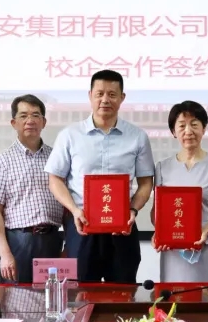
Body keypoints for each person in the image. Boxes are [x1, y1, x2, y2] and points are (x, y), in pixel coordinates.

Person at [46, 69, 154, 283]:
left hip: (123, 228)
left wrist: (133, 209)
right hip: (82, 226)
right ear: (90, 96)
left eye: (112, 94)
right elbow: (55, 179)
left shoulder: (138, 137)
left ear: (122, 98)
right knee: (82, 292)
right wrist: (74, 210)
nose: (105, 100)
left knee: (123, 291)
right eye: (100, 94)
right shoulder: (70, 135)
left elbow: (145, 183)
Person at [152, 101, 208, 282]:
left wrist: (206, 230)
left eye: (194, 124)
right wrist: (159, 233)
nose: (188, 131)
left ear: (204, 129)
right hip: (174, 250)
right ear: (173, 132)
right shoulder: (162, 167)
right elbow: (156, 212)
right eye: (182, 126)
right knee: (175, 297)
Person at [0, 94, 64, 283]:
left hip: (53, 240)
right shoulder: (2, 161)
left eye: (36, 115)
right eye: (23, 115)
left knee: (52, 297)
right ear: (14, 123)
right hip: (18, 242)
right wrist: (5, 253)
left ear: (44, 122)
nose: (30, 120)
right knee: (16, 297)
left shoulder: (57, 158)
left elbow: (68, 206)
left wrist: (67, 247)